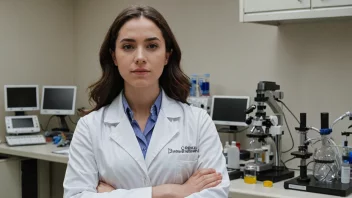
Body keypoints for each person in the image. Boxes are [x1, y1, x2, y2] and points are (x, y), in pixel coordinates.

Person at [63, 5, 229, 198]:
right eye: (128, 46)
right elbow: (76, 196)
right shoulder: (89, 127)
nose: (140, 57)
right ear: (114, 56)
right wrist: (169, 192)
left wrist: (117, 195)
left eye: (151, 46)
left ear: (167, 55)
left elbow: (216, 194)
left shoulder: (198, 122)